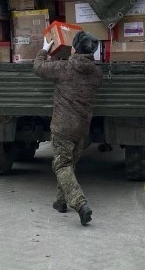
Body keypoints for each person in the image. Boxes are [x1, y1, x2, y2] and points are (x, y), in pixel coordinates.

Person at [33, 30, 103, 226]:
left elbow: (38, 67)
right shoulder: (96, 74)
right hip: (81, 128)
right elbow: (92, 75)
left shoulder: (63, 68)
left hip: (63, 126)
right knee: (69, 164)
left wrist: (44, 50)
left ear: (74, 49)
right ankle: (60, 201)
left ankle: (80, 204)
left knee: (62, 165)